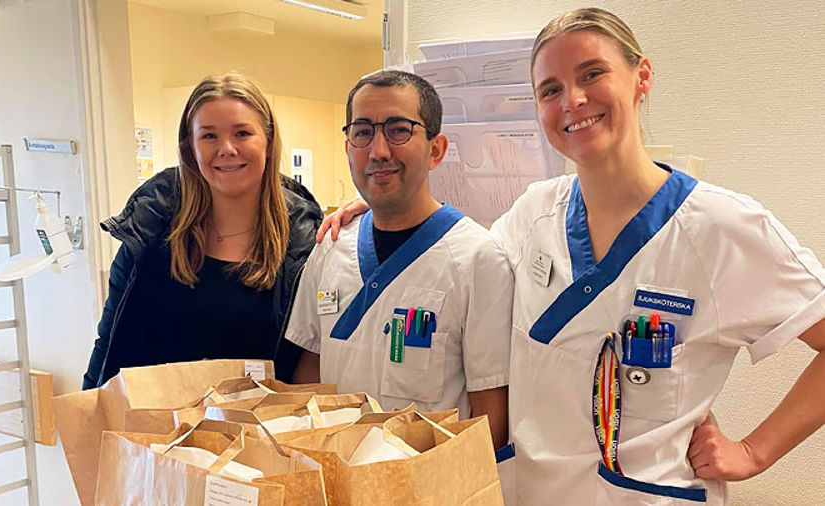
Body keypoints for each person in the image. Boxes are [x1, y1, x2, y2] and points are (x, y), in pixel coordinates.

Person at [318, 8, 825, 505]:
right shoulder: (533, 214)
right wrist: (386, 203)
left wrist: (754, 452)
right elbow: (457, 256)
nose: (573, 100)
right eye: (550, 89)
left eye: (592, 74)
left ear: (641, 77)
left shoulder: (720, 227)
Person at [286, 70, 513, 449]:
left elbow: (491, 415)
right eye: (362, 132)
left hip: (426, 478)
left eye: (398, 130)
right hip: (334, 472)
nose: (378, 151)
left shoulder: (478, 259)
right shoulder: (332, 244)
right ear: (348, 147)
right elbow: (310, 370)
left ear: (436, 150)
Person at [82, 73, 322, 389]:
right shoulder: (150, 231)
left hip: (267, 419)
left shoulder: (306, 242)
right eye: (209, 136)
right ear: (190, 148)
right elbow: (109, 343)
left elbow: (314, 356)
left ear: (268, 142)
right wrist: (90, 407)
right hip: (160, 418)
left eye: (242, 133)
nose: (227, 149)